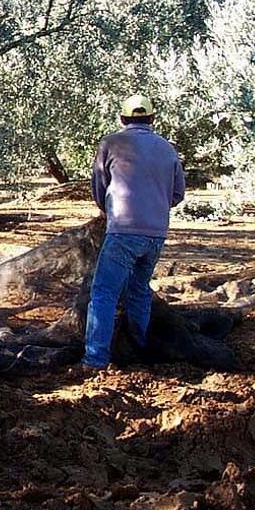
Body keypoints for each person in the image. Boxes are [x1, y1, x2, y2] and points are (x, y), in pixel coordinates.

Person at [83, 94, 186, 370]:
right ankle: (139, 348)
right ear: (152, 119)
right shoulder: (167, 148)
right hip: (156, 233)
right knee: (139, 290)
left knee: (104, 292)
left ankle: (95, 359)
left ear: (122, 119)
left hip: (123, 231)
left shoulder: (111, 143)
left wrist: (109, 210)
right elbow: (178, 193)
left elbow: (98, 186)